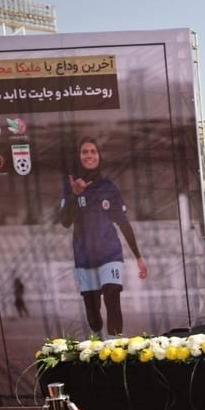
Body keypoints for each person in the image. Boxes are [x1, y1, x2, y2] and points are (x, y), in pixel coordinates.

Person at [58, 137, 147, 336]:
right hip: (84, 257)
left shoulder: (110, 188)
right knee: (93, 315)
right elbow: (65, 222)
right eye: (84, 152)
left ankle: (115, 346)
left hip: (110, 254)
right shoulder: (70, 186)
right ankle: (98, 337)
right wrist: (75, 195)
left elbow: (123, 222)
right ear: (79, 157)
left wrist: (138, 257)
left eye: (93, 151)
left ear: (99, 156)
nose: (89, 155)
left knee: (112, 295)